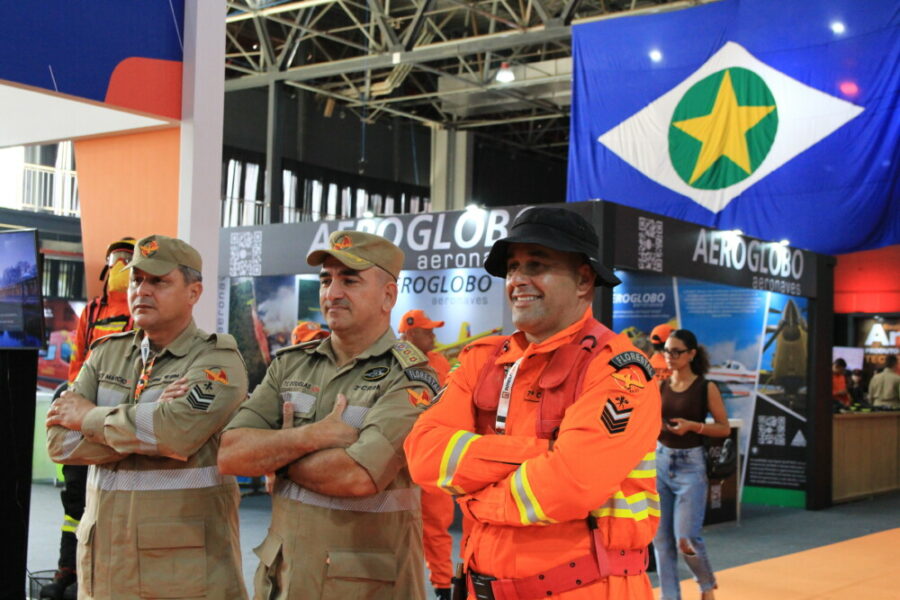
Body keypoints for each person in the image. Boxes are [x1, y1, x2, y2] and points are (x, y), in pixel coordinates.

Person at [405, 206, 662, 600]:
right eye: (512, 268)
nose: (518, 280)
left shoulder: (619, 370)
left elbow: (570, 484)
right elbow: (423, 453)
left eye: (537, 265)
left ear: (583, 280)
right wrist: (542, 453)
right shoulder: (483, 359)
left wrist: (473, 499)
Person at [218, 231, 436, 600]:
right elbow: (231, 453)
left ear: (388, 296)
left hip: (366, 584)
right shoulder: (291, 365)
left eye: (349, 280)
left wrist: (274, 457)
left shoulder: (411, 376)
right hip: (285, 578)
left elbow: (357, 476)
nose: (332, 293)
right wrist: (312, 437)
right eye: (325, 279)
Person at [46, 234, 249, 600]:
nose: (142, 290)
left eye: (159, 281)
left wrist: (89, 418)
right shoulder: (106, 354)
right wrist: (144, 424)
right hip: (105, 570)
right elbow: (59, 441)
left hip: (183, 576)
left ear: (194, 292)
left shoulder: (217, 361)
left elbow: (172, 435)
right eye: (137, 279)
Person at [41, 237, 135, 600]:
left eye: (128, 259)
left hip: (118, 417)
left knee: (115, 498)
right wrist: (76, 405)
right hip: (85, 414)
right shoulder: (92, 311)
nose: (120, 266)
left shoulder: (139, 308)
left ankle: (101, 573)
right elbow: (77, 362)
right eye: (116, 259)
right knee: (76, 499)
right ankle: (70, 567)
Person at [654, 329, 730, 600]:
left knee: (686, 538)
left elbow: (723, 428)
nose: (670, 357)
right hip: (660, 462)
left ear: (691, 354)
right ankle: (669, 596)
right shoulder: (659, 385)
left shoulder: (705, 387)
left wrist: (692, 427)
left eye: (676, 351)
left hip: (691, 466)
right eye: (666, 351)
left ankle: (706, 583)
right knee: (661, 541)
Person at [399, 308, 455, 599]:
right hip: (396, 458)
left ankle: (443, 587)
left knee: (437, 525)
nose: (434, 335)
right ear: (410, 332)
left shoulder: (439, 362)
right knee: (393, 526)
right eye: (428, 330)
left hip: (433, 455)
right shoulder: (391, 362)